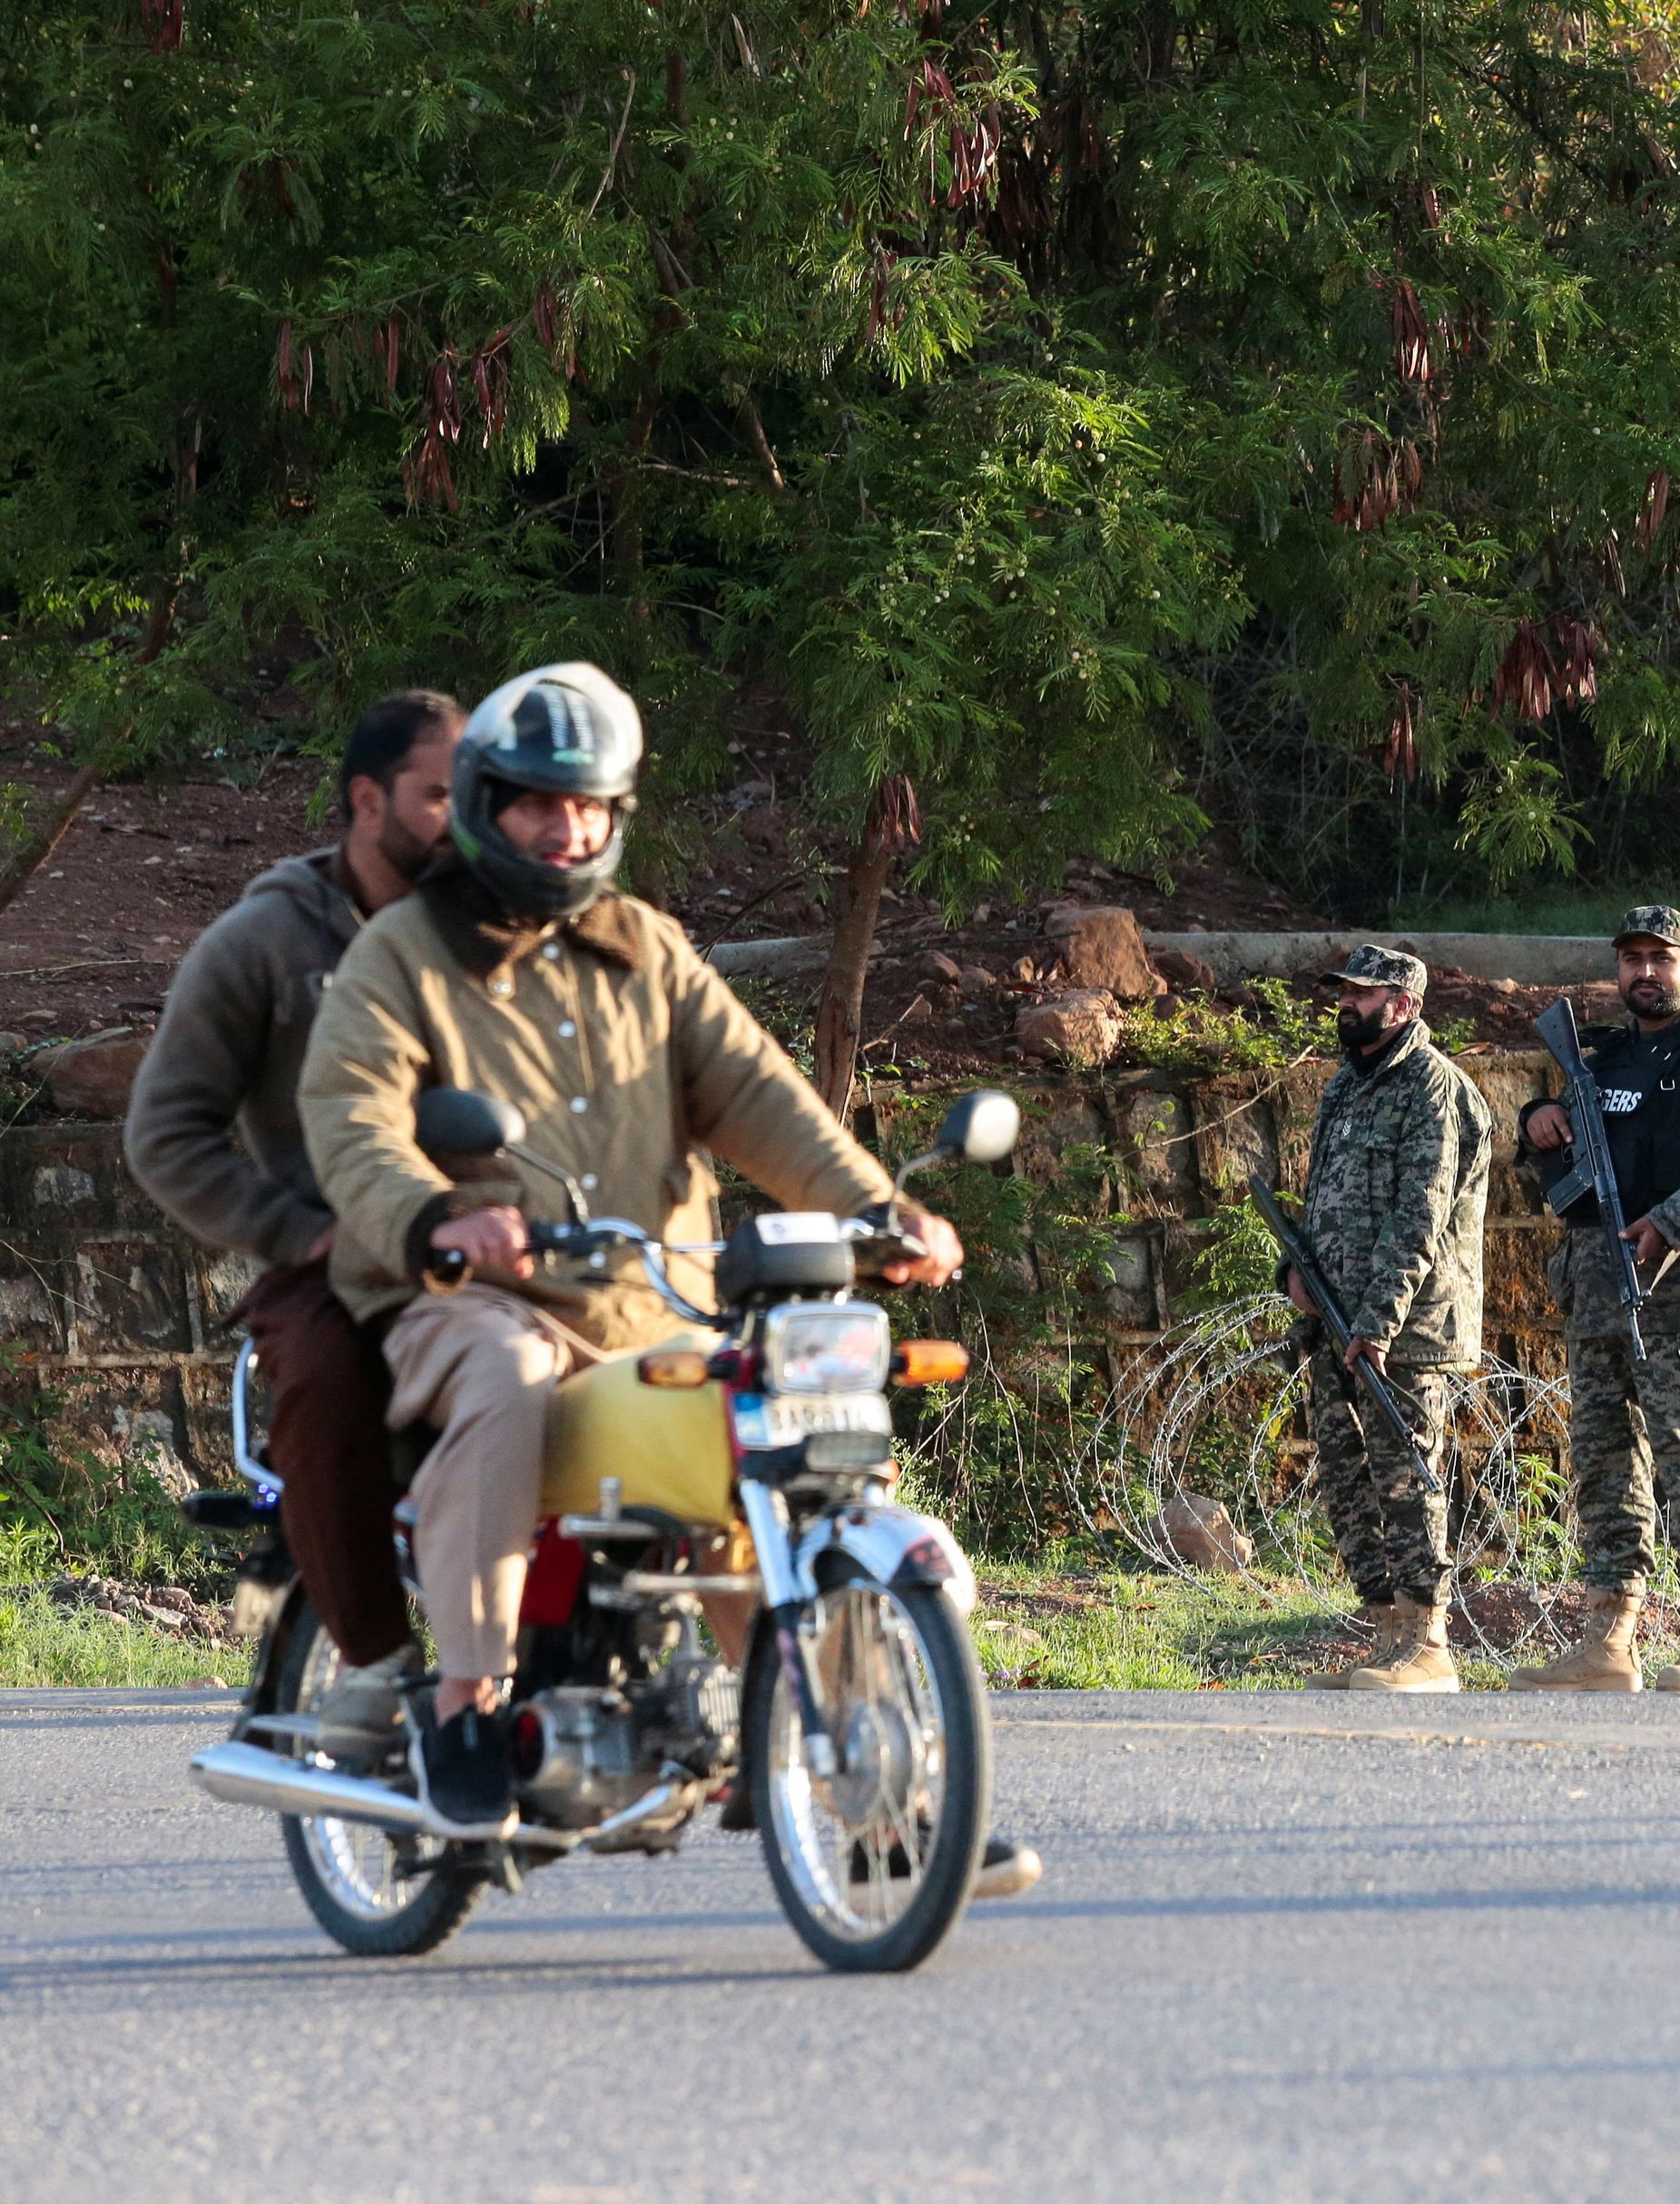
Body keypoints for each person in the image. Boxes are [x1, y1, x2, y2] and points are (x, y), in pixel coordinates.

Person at [295, 665, 1035, 1904]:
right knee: (506, 1366)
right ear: (485, 802)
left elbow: (754, 1093)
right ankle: (470, 1708)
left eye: (589, 808)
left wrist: (876, 1207)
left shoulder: (648, 948)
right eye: (537, 804)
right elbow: (352, 1117)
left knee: (759, 1419)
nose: (567, 830)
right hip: (465, 1305)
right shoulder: (401, 955)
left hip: (646, 1307)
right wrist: (440, 1219)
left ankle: (871, 1799)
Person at [127, 691, 461, 1756]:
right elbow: (165, 1132)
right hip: (334, 1255)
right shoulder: (264, 941)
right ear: (367, 799)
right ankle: (373, 1659)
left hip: (498, 1243)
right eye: (440, 794)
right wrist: (295, 1231)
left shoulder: (494, 922)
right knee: (321, 1383)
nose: (468, 817)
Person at [1507, 908, 1680, 1693]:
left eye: (1660, 958)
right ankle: (1609, 1638)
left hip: (1679, 1290)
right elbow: (1558, 1171)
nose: (1644, 972)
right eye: (1630, 959)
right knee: (1602, 1465)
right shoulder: (1600, 1059)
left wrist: (1667, 1222)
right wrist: (1539, 1122)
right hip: (1595, 1289)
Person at [1287, 944, 1494, 1693]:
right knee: (1348, 1481)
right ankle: (1387, 1634)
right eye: (1344, 992)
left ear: (1403, 1005)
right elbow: (1325, 1202)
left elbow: (1420, 1216)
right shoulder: (1346, 1085)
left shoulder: (1434, 1089)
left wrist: (1377, 1321)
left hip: (1402, 1330)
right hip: (1335, 1322)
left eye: (1363, 994)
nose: (1347, 1004)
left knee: (1408, 1478)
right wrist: (1296, 1275)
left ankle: (1429, 1641)